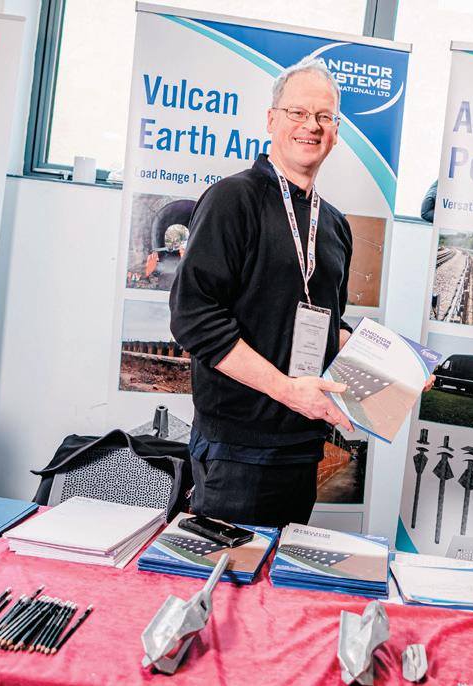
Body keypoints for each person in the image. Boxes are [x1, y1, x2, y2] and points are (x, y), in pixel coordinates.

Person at [169, 57, 355, 528]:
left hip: (302, 445)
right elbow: (193, 317)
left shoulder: (335, 225)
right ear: (272, 120)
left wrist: (399, 368)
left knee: (278, 577)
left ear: (335, 132)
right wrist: (288, 391)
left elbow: (329, 326)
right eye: (298, 113)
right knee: (228, 573)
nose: (311, 126)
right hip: (235, 450)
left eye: (324, 116)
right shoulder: (232, 199)